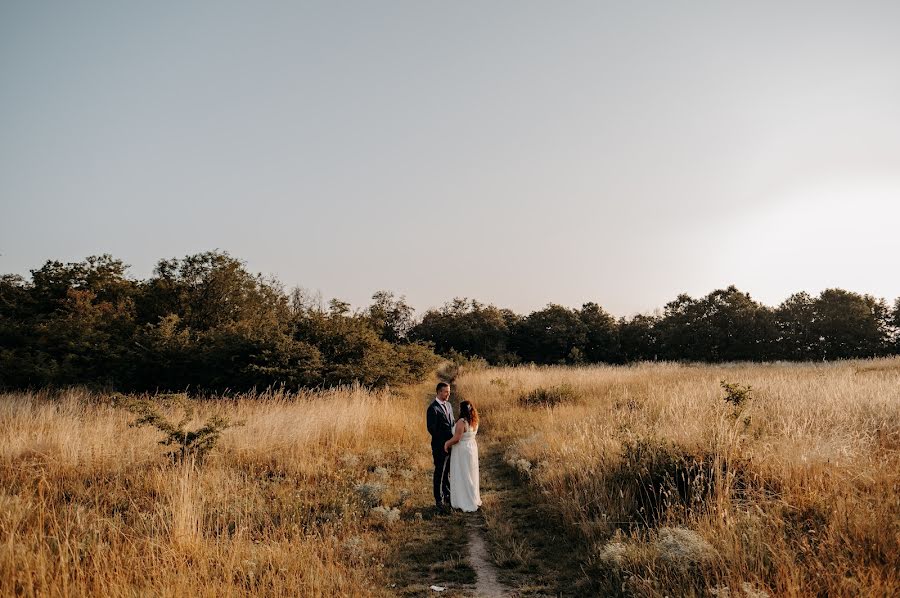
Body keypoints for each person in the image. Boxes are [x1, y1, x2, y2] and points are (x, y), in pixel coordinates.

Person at [444, 400, 481, 512]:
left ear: (462, 409)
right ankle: (473, 498)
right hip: (472, 449)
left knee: (462, 474)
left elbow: (457, 438)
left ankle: (463, 501)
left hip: (462, 450)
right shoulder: (474, 421)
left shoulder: (462, 422)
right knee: (470, 473)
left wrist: (447, 444)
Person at [426, 382, 454, 509]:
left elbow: (452, 423)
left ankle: (447, 495)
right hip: (439, 446)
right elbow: (432, 429)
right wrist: (444, 443)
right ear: (439, 392)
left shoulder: (448, 405)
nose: (448, 394)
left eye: (449, 391)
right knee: (439, 472)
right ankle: (439, 500)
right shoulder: (432, 408)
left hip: (450, 445)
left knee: (447, 471)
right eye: (446, 391)